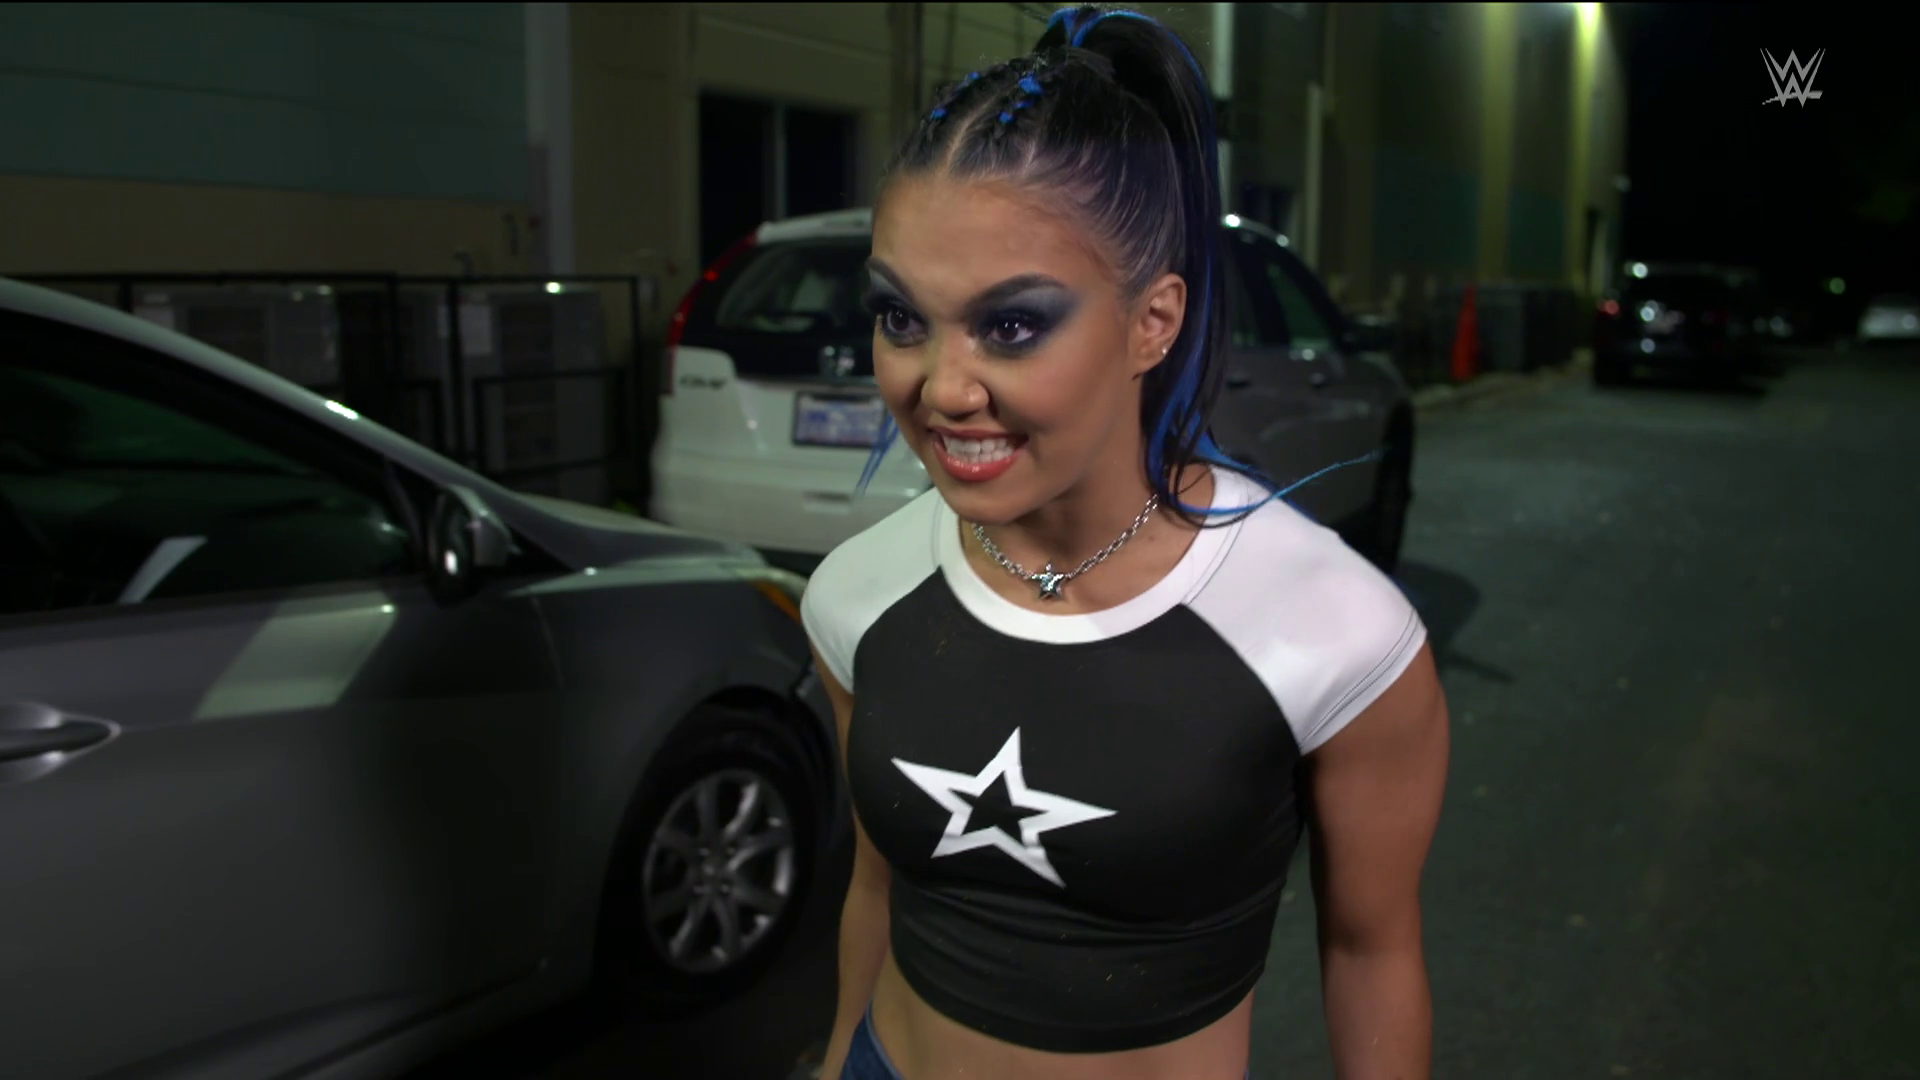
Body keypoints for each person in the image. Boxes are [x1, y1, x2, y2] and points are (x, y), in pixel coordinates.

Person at [799, 6, 1451, 1079]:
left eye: (1012, 324)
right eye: (902, 319)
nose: (943, 388)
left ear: (1154, 320)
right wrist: (835, 1064)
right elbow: (877, 886)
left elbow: (1370, 953)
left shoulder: (1340, 633)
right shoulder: (857, 592)